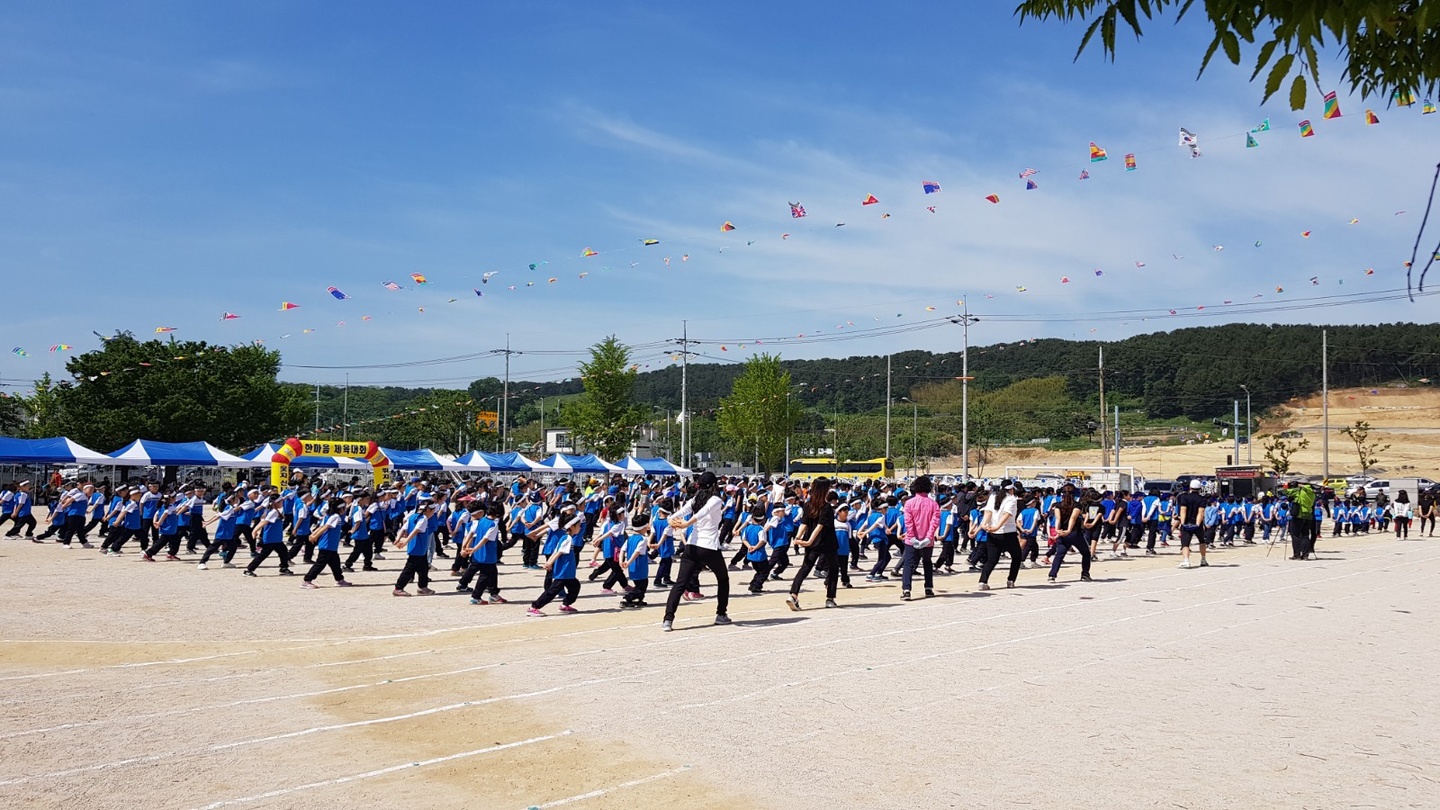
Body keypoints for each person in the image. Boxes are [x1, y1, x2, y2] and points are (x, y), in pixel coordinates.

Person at [659, 471, 731, 632]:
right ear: (714, 485)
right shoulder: (715, 499)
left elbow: (689, 511)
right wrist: (675, 520)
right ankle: (721, 614)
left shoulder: (697, 498)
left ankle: (668, 619)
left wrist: (675, 519)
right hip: (708, 547)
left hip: (692, 546)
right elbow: (698, 512)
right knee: (723, 579)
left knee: (680, 583)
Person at [786, 477, 841, 610]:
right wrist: (808, 540)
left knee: (805, 568)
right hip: (827, 542)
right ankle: (830, 598)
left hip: (813, 543)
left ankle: (793, 595)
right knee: (833, 569)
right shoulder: (826, 507)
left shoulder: (808, 504)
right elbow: (820, 526)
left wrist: (799, 538)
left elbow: (804, 524)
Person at [527, 512, 585, 616]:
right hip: (564, 572)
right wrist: (549, 563)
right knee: (552, 592)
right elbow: (558, 552)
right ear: (572, 526)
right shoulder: (567, 539)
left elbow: (556, 550)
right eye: (579, 526)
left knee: (575, 587)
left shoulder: (564, 537)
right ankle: (534, 607)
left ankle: (565, 605)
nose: (580, 528)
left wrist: (549, 562)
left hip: (568, 573)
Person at [897, 475, 939, 601]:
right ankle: (929, 588)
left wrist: (912, 537)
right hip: (928, 540)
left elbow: (908, 522)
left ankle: (906, 590)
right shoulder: (933, 504)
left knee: (908, 564)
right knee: (927, 562)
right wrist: (928, 537)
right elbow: (934, 522)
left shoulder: (909, 503)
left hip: (911, 540)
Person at [978, 480, 1023, 591]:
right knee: (1017, 556)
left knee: (992, 559)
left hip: (993, 534)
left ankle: (982, 581)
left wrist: (984, 524)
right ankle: (1011, 580)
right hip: (1008, 533)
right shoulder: (1011, 499)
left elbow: (988, 512)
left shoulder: (993, 497)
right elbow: (1007, 514)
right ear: (1011, 489)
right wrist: (997, 527)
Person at [460, 503, 506, 605]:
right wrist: (474, 548)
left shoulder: (480, 521)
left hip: (479, 554)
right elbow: (485, 538)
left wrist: (464, 548)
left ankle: (494, 594)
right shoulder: (493, 524)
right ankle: (476, 597)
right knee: (484, 576)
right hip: (487, 554)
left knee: (493, 573)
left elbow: (470, 534)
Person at [1046, 488, 1093, 583]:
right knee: (1086, 553)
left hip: (1063, 533)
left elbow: (1058, 519)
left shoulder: (1058, 506)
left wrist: (1057, 531)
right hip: (1075, 533)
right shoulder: (1077, 505)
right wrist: (1069, 530)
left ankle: (1052, 575)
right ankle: (1085, 574)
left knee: (1059, 554)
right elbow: (1073, 518)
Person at [392, 502, 438, 596]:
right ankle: (398, 587)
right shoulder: (423, 518)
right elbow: (416, 530)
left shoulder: (412, 517)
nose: (433, 513)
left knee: (423, 568)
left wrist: (397, 539)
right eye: (433, 511)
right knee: (409, 568)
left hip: (421, 549)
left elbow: (404, 528)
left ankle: (423, 587)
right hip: (418, 547)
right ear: (428, 510)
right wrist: (405, 541)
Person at [620, 512, 655, 609]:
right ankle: (628, 598)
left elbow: (622, 550)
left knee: (639, 585)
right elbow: (637, 552)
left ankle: (639, 600)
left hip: (632, 568)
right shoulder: (643, 539)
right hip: (640, 567)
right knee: (641, 586)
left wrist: (621, 562)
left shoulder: (630, 539)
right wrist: (628, 562)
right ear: (645, 527)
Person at [1174, 479, 1210, 569]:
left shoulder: (1184, 497)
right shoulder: (1202, 499)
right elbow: (1201, 512)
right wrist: (1198, 524)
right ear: (1200, 488)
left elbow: (1183, 511)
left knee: (1185, 543)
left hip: (1186, 522)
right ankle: (1203, 559)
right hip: (1198, 523)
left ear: (1190, 487)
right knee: (1202, 541)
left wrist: (1182, 523)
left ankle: (1186, 560)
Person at [1289, 481, 1318, 560]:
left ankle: (1297, 554)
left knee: (1295, 536)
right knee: (1305, 535)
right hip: (1308, 516)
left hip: (1298, 515)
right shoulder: (1312, 494)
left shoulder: (1300, 492)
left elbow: (1288, 494)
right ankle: (1305, 555)